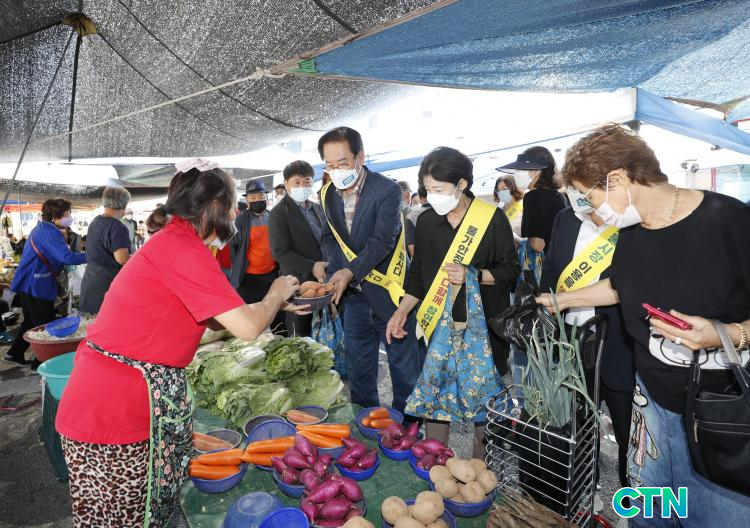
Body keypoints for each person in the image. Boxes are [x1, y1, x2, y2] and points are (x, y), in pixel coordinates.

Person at [55, 160, 307, 527]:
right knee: (128, 517)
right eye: (231, 204)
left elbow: (218, 320)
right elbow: (248, 327)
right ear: (214, 206)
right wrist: (275, 293)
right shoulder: (183, 251)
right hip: (114, 412)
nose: (235, 213)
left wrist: (274, 305)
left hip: (114, 398)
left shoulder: (175, 242)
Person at [537, 124, 750, 527]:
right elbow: (620, 286)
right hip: (650, 409)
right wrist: (561, 300)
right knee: (651, 517)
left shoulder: (730, 222)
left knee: (711, 517)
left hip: (719, 415)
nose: (591, 210)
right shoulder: (632, 232)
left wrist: (725, 335)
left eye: (588, 196)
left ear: (618, 179)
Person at [386, 147, 519, 454]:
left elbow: (511, 271)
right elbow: (418, 274)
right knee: (436, 395)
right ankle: (434, 461)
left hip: (483, 327)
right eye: (427, 189)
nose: (432, 196)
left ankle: (481, 467)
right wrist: (402, 310)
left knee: (485, 401)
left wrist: (474, 275)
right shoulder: (426, 222)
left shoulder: (491, 218)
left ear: (462, 184)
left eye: (439, 189)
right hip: (438, 327)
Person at [319, 126, 419, 415]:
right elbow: (329, 238)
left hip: (390, 294)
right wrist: (337, 273)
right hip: (354, 299)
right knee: (359, 370)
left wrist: (350, 271)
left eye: (342, 163)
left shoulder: (386, 190)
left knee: (404, 370)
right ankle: (365, 425)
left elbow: (383, 240)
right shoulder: (327, 194)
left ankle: (406, 428)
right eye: (329, 165)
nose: (336, 171)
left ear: (360, 157)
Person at [540, 199, 635, 494]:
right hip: (573, 340)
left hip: (620, 343)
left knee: (628, 431)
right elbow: (552, 269)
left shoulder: (630, 219)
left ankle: (633, 499)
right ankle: (583, 488)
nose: (576, 194)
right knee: (577, 424)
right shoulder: (566, 218)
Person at [4, 199, 86, 368]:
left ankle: (14, 353)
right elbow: (67, 257)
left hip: (31, 281)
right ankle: (41, 363)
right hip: (35, 284)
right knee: (46, 324)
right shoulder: (48, 231)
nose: (69, 217)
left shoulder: (44, 228)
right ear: (55, 216)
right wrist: (92, 256)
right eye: (67, 214)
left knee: (31, 322)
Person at [269, 160, 327, 336]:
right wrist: (312, 266)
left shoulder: (317, 208)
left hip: (323, 281)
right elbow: (280, 252)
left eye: (307, 181)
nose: (303, 186)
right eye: (297, 182)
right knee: (301, 332)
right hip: (298, 283)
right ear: (286, 184)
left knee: (324, 330)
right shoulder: (279, 213)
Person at [229, 180, 285, 334]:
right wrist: (237, 270)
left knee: (278, 314)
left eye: (260, 196)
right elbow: (233, 247)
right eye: (252, 198)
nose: (257, 200)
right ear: (247, 200)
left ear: (266, 197)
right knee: (254, 318)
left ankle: (281, 337)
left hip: (272, 275)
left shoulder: (273, 217)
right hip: (249, 279)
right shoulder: (241, 221)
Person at [499, 146, 566, 253]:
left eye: (521, 169)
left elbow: (537, 245)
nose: (516, 173)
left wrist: (517, 240)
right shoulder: (559, 196)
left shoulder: (532, 196)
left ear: (537, 171)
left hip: (544, 261)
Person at [79, 186, 132, 314]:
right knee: (106, 318)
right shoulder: (117, 227)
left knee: (90, 319)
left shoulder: (95, 221)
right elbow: (122, 259)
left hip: (90, 279)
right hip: (105, 283)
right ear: (124, 205)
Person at [493, 173, 524, 238]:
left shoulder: (524, 206)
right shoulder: (500, 208)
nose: (501, 192)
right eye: (498, 189)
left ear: (513, 187)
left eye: (505, 188)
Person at [405, 186, 430, 257]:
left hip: (422, 259)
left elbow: (412, 248)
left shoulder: (412, 215)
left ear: (419, 197)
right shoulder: (445, 213)